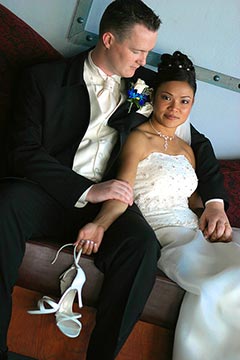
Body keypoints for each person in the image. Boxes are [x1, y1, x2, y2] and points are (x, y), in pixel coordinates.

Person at [0, 0, 230, 359]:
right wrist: (88, 189)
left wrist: (215, 202)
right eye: (137, 50)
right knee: (5, 204)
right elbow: (23, 151)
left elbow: (196, 142)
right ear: (108, 39)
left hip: (113, 204)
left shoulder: (144, 87)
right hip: (49, 193)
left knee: (142, 247)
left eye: (148, 52)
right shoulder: (43, 79)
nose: (144, 61)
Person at [75, 50, 240, 360]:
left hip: (195, 231)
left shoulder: (189, 148)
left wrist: (211, 210)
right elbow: (121, 192)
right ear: (154, 95)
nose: (174, 108)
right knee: (233, 281)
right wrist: (99, 224)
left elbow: (191, 198)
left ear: (193, 104)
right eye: (166, 97)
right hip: (166, 237)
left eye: (184, 101)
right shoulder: (138, 137)